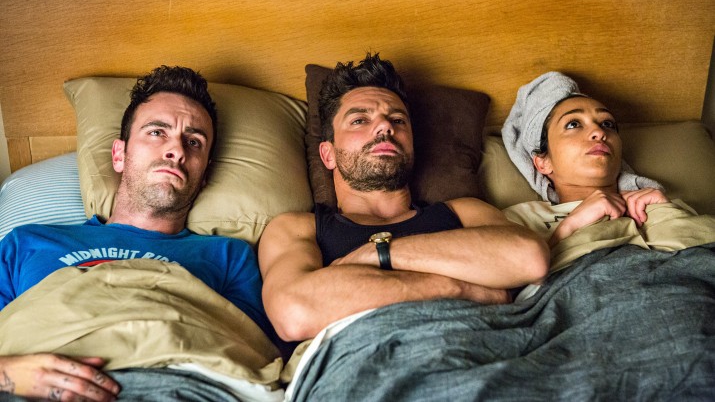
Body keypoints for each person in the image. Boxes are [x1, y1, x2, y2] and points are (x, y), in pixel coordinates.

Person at [0, 66, 276, 401]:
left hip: (174, 383)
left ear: (204, 174)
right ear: (119, 155)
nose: (177, 150)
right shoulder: (25, 243)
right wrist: (8, 375)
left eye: (194, 142)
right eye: (157, 132)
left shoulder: (229, 255)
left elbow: (253, 357)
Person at [258, 53, 549, 343]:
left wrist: (378, 254)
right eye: (359, 120)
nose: (385, 127)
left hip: (484, 346)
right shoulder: (298, 228)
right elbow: (293, 313)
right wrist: (460, 289)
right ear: (328, 154)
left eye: (397, 119)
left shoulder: (464, 212)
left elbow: (529, 258)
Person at [501, 71, 715, 281]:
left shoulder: (656, 204)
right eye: (573, 124)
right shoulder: (522, 219)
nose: (599, 132)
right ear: (543, 162)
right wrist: (570, 226)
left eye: (607, 124)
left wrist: (666, 215)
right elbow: (508, 283)